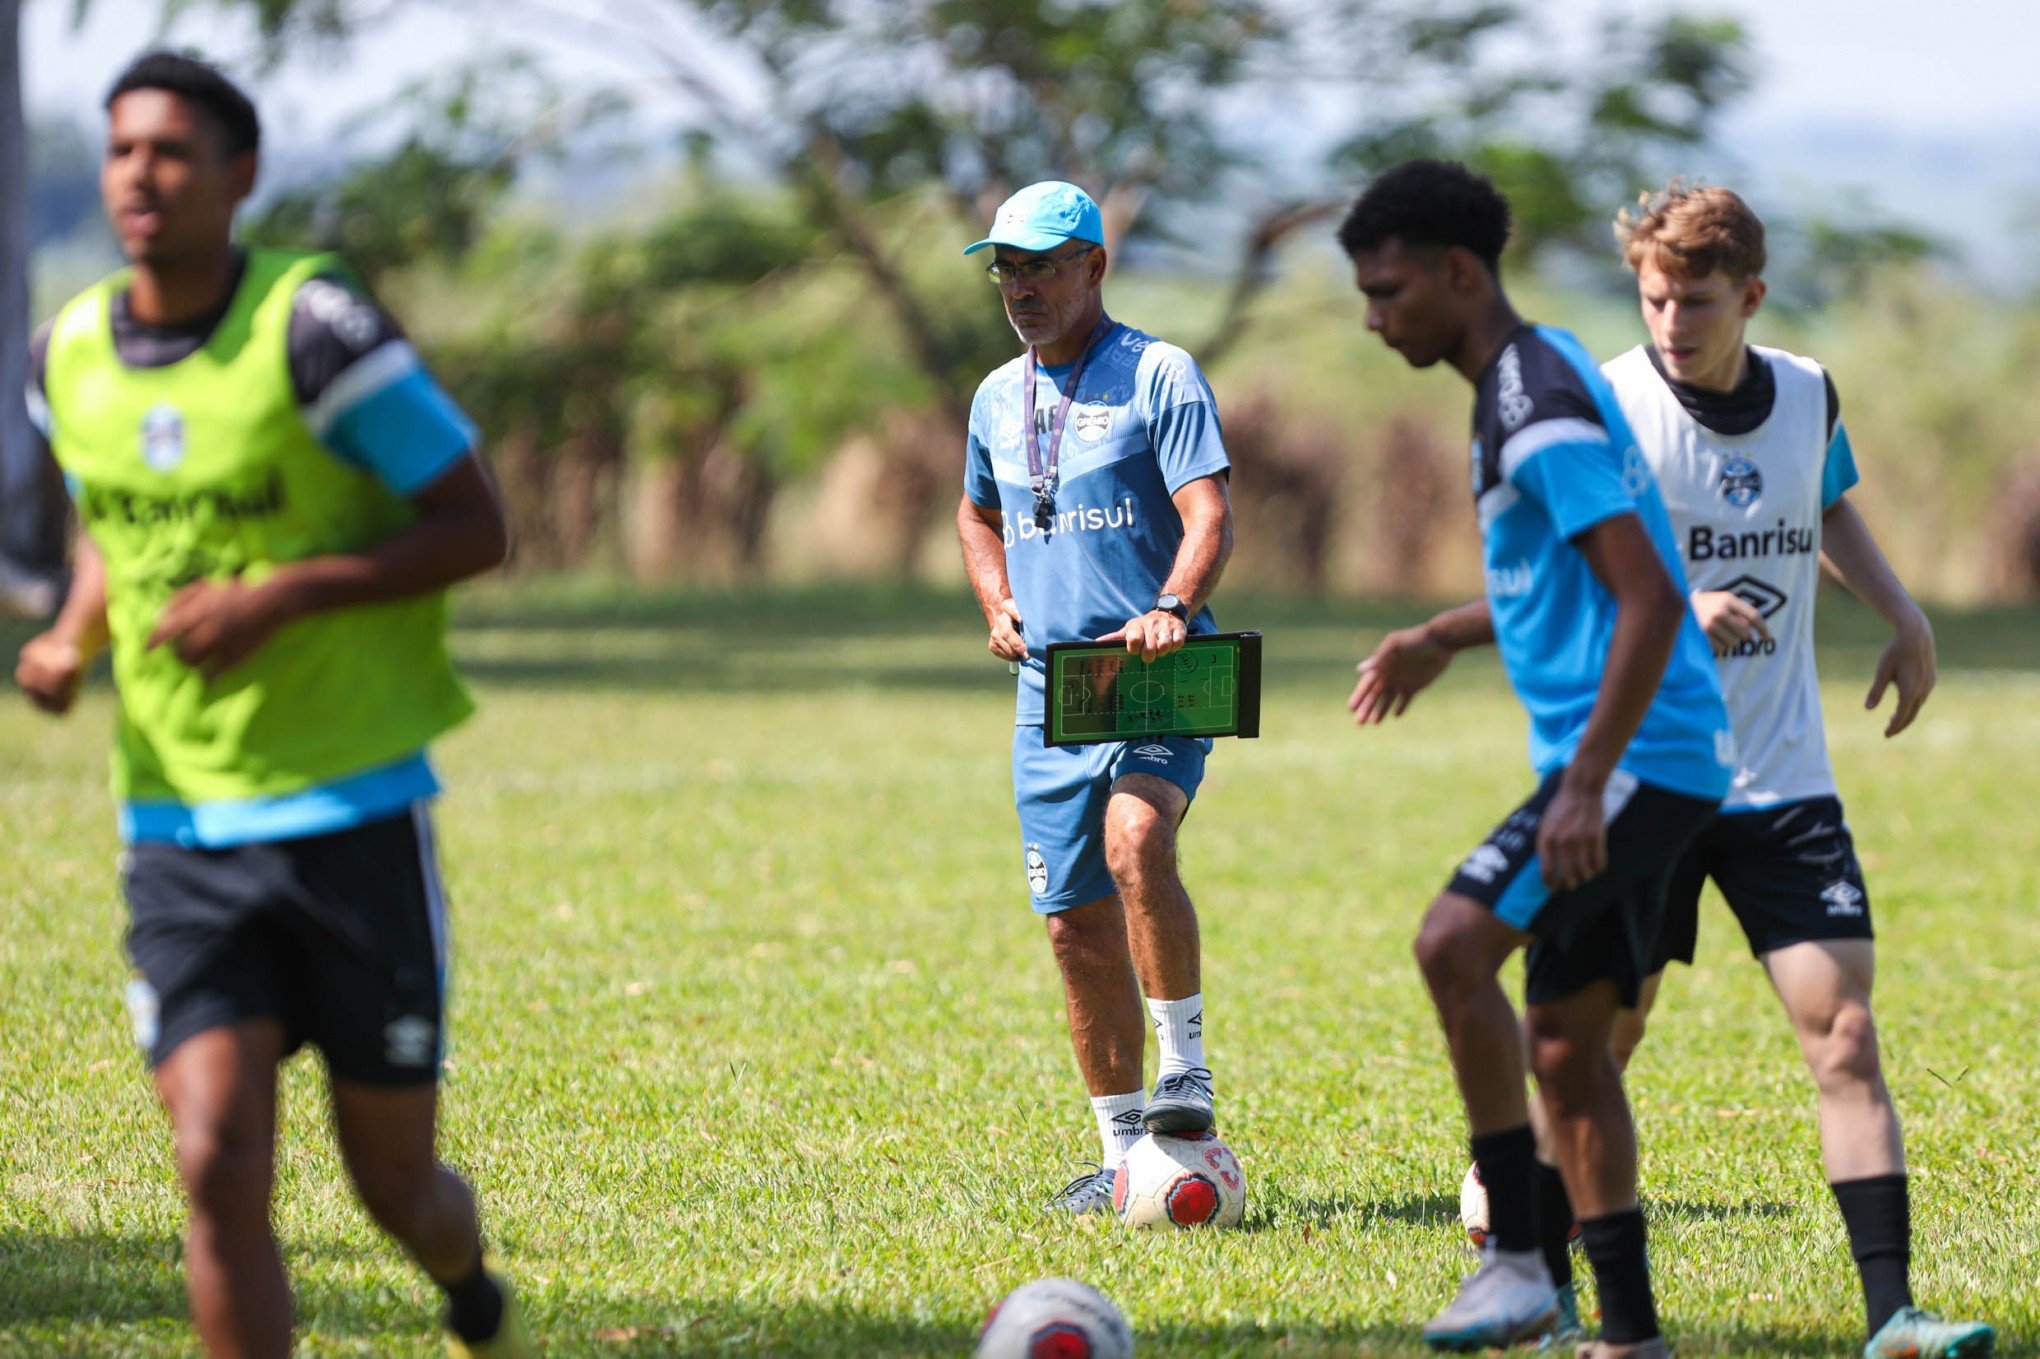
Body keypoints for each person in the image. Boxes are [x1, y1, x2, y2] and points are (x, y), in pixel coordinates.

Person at [14, 52, 530, 1359]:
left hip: (350, 809)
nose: (141, 173)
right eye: (124, 148)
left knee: (396, 1190)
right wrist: (77, 633)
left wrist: (282, 594)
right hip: (178, 824)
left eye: (175, 150)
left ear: (239, 177)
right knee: (215, 1157)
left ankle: (468, 1285)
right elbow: (108, 529)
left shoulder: (315, 332)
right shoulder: (66, 353)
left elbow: (476, 524)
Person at [1341, 160, 1733, 1356]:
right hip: (1650, 756)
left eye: (1390, 290)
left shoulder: (1530, 397)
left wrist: (1581, 783)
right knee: (1564, 1049)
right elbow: (1562, 576)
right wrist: (1439, 635)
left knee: (1451, 946)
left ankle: (1515, 1258)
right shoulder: (1529, 373)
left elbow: (1649, 597)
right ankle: (1627, 1334)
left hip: (1639, 759)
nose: (1374, 316)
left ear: (1460, 273)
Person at [1597, 181, 1993, 1359]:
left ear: (1752, 296)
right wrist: (1672, 605)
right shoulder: (1609, 408)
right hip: (1643, 780)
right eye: (1656, 297)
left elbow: (1825, 506)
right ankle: (1543, 1247)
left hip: (1783, 782)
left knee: (1846, 1034)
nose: (1671, 320)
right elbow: (1563, 582)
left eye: (1697, 301)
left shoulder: (1810, 394)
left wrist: (1903, 610)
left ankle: (1894, 1316)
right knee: (1606, 1039)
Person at [954, 180, 1235, 1214]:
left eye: (1040, 266)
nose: (1019, 287)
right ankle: (1124, 1160)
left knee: (1135, 843)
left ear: (1095, 267)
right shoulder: (994, 396)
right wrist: (996, 599)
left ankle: (1187, 1072)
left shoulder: (1159, 373)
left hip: (1156, 670)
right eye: (1006, 270)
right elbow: (975, 515)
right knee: (1072, 928)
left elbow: (1210, 515)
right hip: (1050, 692)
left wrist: (1173, 603)